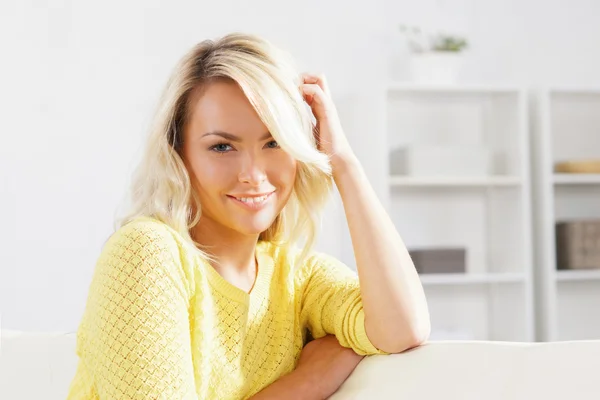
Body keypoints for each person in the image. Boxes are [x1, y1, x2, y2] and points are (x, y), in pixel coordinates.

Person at [66, 32, 430, 400]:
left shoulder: (297, 276)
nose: (253, 174)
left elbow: (404, 328)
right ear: (179, 154)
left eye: (273, 142)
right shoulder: (147, 253)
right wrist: (312, 378)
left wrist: (343, 163)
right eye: (222, 146)